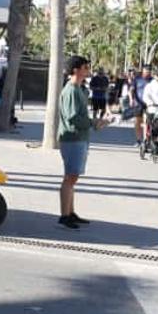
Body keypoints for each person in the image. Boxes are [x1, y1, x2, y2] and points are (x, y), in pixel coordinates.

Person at [57, 55, 108, 230]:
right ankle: (64, 216)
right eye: (85, 67)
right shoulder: (71, 90)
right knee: (70, 177)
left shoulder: (78, 89)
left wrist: (96, 122)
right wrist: (93, 123)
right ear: (76, 70)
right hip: (72, 139)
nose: (88, 70)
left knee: (72, 177)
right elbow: (72, 118)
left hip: (79, 138)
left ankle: (70, 212)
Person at [133, 67, 152, 143]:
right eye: (146, 70)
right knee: (138, 121)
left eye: (149, 70)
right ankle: (138, 139)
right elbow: (132, 90)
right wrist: (131, 99)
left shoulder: (152, 80)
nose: (147, 72)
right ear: (143, 71)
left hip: (149, 104)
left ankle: (146, 139)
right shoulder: (137, 79)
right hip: (138, 103)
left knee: (148, 121)